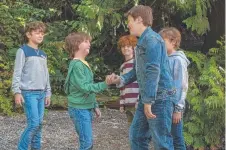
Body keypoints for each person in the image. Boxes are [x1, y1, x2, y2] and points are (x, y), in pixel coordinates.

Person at [108, 5, 176, 149]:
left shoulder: (152, 40)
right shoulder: (142, 41)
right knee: (137, 137)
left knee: (161, 142)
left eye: (130, 20)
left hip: (159, 98)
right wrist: (120, 80)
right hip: (147, 98)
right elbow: (136, 71)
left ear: (139, 20)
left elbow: (153, 71)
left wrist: (148, 101)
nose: (128, 24)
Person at [64, 32, 112, 150]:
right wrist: (105, 84)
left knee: (86, 140)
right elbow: (85, 87)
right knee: (87, 142)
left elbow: (88, 87)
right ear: (76, 45)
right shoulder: (77, 65)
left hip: (85, 107)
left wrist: (94, 105)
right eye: (85, 41)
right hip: (79, 109)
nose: (89, 43)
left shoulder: (83, 63)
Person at [11, 21, 51, 150]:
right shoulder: (23, 51)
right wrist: (17, 92)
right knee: (33, 123)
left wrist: (48, 92)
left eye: (42, 33)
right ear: (29, 34)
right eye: (37, 33)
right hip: (28, 93)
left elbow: (46, 75)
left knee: (39, 125)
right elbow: (17, 72)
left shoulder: (43, 54)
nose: (41, 35)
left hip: (41, 93)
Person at [159, 27, 190, 150]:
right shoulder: (164, 59)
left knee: (177, 137)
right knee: (167, 136)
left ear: (173, 42)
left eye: (163, 41)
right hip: (165, 104)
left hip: (174, 106)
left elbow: (181, 85)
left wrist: (178, 109)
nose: (160, 44)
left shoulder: (178, 60)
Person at [117, 35, 139, 124]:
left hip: (137, 103)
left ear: (134, 48)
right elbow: (121, 86)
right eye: (123, 46)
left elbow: (142, 83)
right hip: (127, 103)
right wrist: (122, 103)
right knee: (131, 126)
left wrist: (139, 100)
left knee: (139, 128)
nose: (125, 48)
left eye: (128, 46)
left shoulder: (136, 63)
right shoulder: (122, 66)